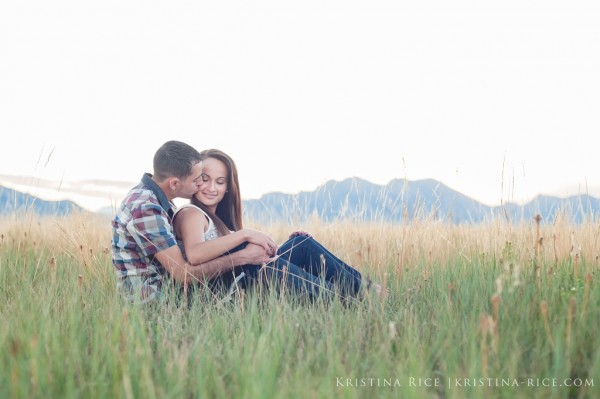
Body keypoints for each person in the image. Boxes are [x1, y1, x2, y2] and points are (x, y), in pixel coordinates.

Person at [173, 148, 384, 301]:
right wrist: (245, 235)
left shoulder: (218, 220)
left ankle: (367, 290)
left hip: (245, 281)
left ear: (229, 187)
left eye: (220, 182)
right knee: (269, 265)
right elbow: (195, 255)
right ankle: (349, 300)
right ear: (194, 178)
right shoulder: (192, 213)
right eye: (205, 179)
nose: (211, 187)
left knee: (300, 243)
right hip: (228, 292)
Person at [111, 141, 274, 303]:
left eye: (219, 181)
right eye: (198, 179)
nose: (200, 185)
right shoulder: (146, 208)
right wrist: (242, 256)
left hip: (171, 288)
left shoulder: (155, 200)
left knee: (297, 246)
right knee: (244, 258)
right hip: (153, 299)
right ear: (174, 184)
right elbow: (183, 274)